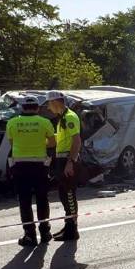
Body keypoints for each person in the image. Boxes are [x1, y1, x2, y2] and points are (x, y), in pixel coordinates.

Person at [5, 96, 56, 247]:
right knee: (42, 199)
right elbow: (52, 143)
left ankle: (30, 235)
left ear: (22, 108)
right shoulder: (44, 122)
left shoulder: (12, 122)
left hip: (20, 166)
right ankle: (45, 232)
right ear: (37, 108)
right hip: (40, 165)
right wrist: (40, 141)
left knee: (25, 201)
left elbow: (12, 142)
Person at [44, 91, 82, 243]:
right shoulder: (61, 118)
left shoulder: (69, 117)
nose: (48, 107)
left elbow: (77, 141)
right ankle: (68, 226)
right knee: (63, 194)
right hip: (61, 159)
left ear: (55, 102)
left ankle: (73, 230)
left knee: (69, 195)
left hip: (67, 160)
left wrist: (70, 162)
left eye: (49, 103)